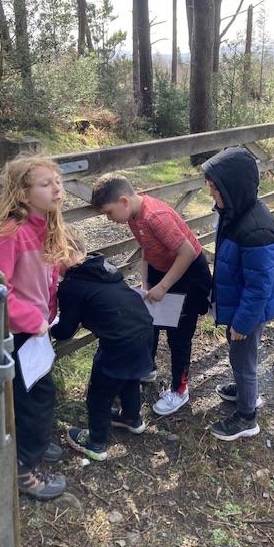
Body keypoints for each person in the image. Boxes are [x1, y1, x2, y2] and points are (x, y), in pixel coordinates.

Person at [0, 154, 73, 500]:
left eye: (58, 181)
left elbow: (46, 275)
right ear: (24, 195)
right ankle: (24, 469)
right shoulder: (11, 234)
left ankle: (33, 442)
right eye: (46, 184)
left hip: (38, 329)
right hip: (19, 332)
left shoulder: (45, 226)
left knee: (32, 395)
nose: (57, 189)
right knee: (37, 398)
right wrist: (33, 321)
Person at [91, 174, 212, 416]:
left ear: (124, 201)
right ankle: (148, 367)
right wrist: (147, 284)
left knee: (179, 336)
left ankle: (180, 389)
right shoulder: (133, 216)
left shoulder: (155, 216)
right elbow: (147, 248)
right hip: (163, 270)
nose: (109, 219)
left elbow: (187, 253)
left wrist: (163, 286)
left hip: (188, 275)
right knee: (149, 322)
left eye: (108, 212)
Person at [201, 147, 274, 441]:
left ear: (232, 187)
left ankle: (247, 416)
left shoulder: (255, 230)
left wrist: (243, 323)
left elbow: (259, 286)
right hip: (241, 305)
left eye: (214, 188)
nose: (210, 193)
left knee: (243, 358)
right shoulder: (234, 212)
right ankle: (244, 389)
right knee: (241, 354)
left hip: (249, 310)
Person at [51, 228, 154, 461]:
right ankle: (131, 418)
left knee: (98, 393)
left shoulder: (71, 285)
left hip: (118, 345)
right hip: (144, 331)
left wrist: (49, 327)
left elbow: (65, 331)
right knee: (130, 378)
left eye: (51, 257)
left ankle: (96, 442)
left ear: (62, 253)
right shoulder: (104, 268)